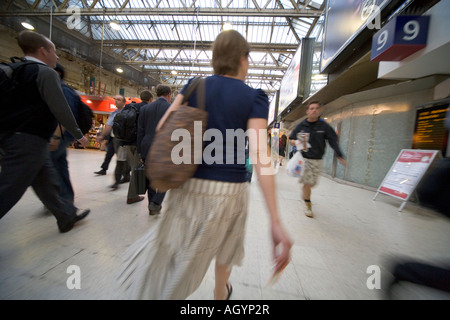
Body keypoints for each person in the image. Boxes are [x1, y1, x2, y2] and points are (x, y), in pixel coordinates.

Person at [119, 30, 292, 300]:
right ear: (243, 59)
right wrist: (276, 220)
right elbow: (260, 153)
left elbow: (165, 125)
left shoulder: (195, 85)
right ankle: (220, 292)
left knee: (180, 255)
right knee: (225, 249)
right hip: (231, 192)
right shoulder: (255, 97)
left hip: (189, 186)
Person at [0, 30, 90, 233]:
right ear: (43, 51)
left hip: (17, 139)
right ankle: (66, 214)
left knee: (47, 181)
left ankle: (66, 215)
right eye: (54, 51)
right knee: (9, 188)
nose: (57, 57)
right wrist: (79, 135)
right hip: (27, 141)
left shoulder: (13, 69)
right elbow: (61, 110)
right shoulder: (45, 73)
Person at [289, 101, 346, 218]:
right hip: (304, 159)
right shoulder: (301, 126)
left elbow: (332, 141)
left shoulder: (324, 126)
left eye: (316, 108)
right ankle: (308, 204)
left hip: (317, 160)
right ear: (307, 111)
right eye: (311, 108)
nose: (314, 110)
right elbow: (291, 139)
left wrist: (339, 154)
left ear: (319, 111)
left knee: (312, 184)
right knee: (308, 183)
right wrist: (296, 142)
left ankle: (305, 193)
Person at [137, 84, 171, 215]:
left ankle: (152, 206)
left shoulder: (145, 109)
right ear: (169, 95)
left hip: (147, 146)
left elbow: (140, 131)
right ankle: (156, 202)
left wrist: (140, 151)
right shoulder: (171, 108)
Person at [49, 63, 79, 203]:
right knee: (59, 166)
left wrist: (56, 136)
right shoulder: (59, 89)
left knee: (51, 166)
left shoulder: (63, 90)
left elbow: (66, 114)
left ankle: (60, 199)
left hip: (60, 134)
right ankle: (65, 198)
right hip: (61, 135)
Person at [121, 90, 154, 205]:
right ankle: (132, 196)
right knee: (137, 170)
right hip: (138, 144)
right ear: (150, 99)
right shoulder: (148, 109)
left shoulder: (131, 106)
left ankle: (133, 192)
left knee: (134, 168)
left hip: (126, 142)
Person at [96, 95, 129, 190]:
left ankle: (117, 180)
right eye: (115, 99)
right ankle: (105, 169)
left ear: (123, 102)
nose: (116, 101)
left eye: (119, 100)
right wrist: (102, 135)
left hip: (122, 140)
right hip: (113, 139)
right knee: (111, 156)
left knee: (121, 160)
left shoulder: (127, 113)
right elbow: (108, 126)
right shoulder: (113, 113)